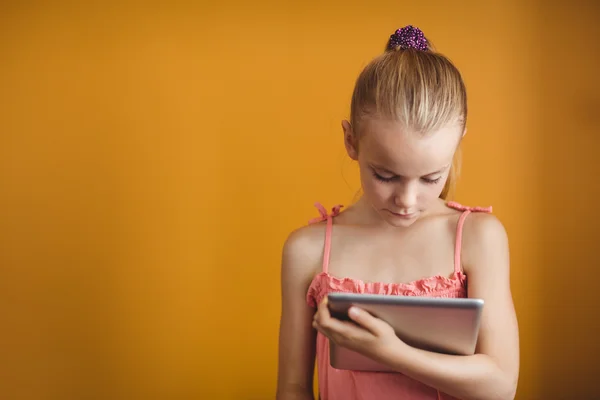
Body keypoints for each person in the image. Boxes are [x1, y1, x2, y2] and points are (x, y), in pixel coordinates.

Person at [276, 25, 520, 400]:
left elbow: (500, 385)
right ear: (350, 141)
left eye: (431, 178)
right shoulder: (307, 251)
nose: (407, 200)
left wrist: (392, 353)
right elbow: (292, 388)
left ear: (456, 145)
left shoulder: (477, 238)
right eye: (386, 175)